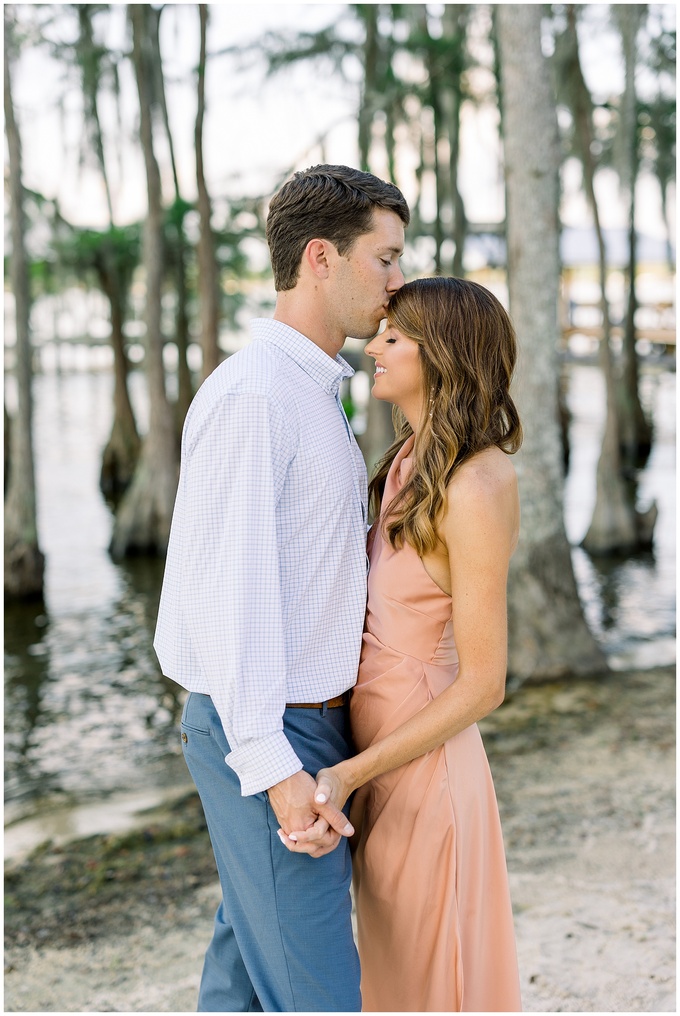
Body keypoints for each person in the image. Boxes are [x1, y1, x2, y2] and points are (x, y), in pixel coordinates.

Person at [153, 164, 409, 1012]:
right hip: (267, 729)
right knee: (319, 996)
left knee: (246, 976)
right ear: (321, 258)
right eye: (386, 259)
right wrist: (274, 766)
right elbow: (237, 598)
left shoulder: (309, 391)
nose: (399, 283)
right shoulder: (259, 395)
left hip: (305, 725)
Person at [282, 276, 524, 1012]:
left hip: (422, 771)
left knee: (430, 981)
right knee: (390, 979)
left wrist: (353, 772)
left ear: (443, 353)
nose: (373, 346)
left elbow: (484, 684)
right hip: (375, 760)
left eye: (394, 336)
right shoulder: (406, 463)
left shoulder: (477, 484)